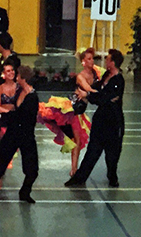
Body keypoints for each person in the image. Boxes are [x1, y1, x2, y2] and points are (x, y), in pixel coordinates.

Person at [0, 65, 39, 204]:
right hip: (13, 133)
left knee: (32, 169)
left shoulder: (32, 97)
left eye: (18, 75)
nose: (16, 76)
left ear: (23, 78)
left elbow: (18, 116)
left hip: (26, 135)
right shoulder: (19, 91)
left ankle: (25, 193)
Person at [65, 49, 125, 188]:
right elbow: (98, 91)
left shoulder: (118, 81)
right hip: (100, 120)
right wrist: (87, 93)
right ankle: (79, 178)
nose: (106, 61)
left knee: (112, 155)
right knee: (92, 151)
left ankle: (112, 177)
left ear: (113, 63)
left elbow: (104, 98)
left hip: (113, 123)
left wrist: (89, 95)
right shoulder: (106, 75)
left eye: (108, 59)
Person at [37, 48, 101, 176]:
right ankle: (74, 170)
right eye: (88, 59)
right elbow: (89, 90)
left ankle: (74, 169)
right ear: (83, 62)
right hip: (72, 110)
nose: (92, 61)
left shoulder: (95, 72)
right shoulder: (80, 77)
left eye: (92, 58)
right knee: (76, 140)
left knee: (76, 140)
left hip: (80, 111)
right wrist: (102, 92)